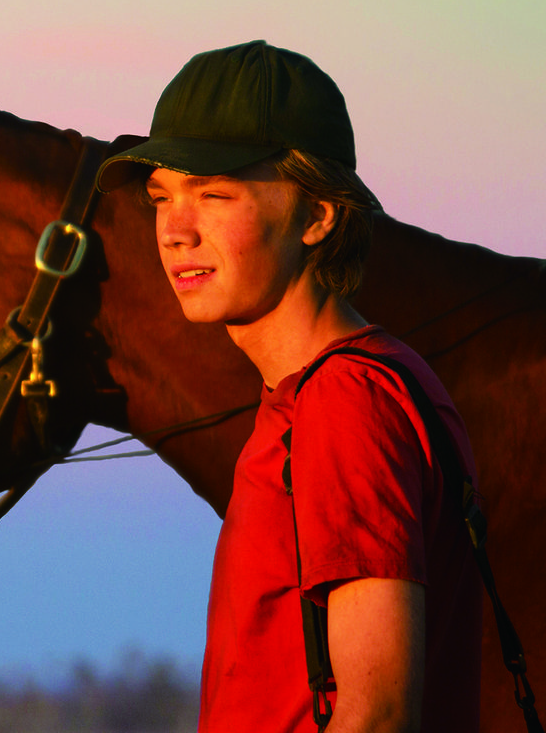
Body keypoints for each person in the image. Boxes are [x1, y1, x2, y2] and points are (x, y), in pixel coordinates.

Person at [96, 41, 482, 732]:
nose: (175, 231)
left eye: (215, 194)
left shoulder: (345, 403)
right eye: (162, 197)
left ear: (319, 215)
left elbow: (378, 714)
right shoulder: (351, 385)